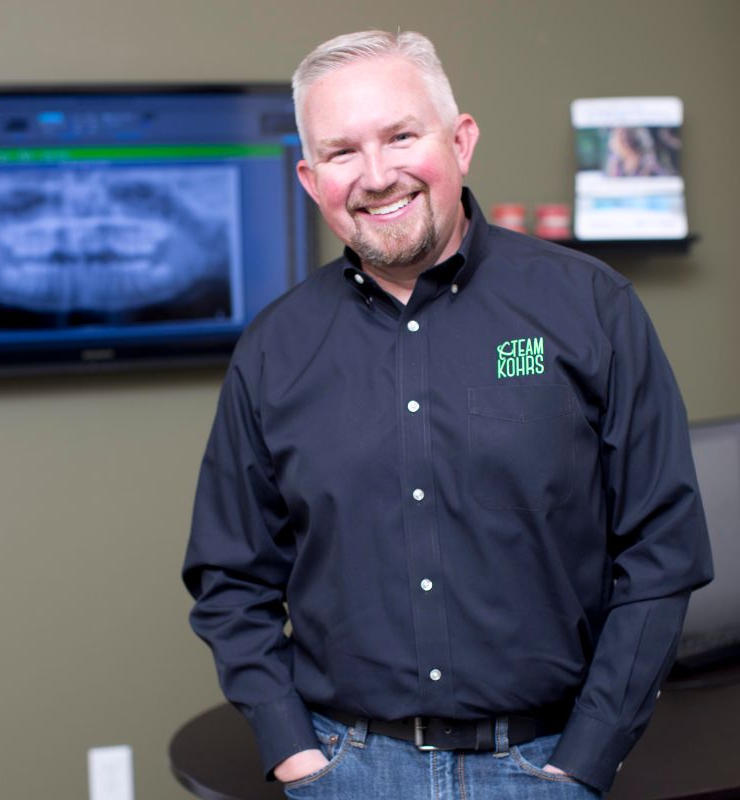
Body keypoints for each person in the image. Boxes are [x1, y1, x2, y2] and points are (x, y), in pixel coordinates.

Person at [183, 30, 712, 798]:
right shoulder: (273, 349)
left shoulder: (591, 308)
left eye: (401, 135)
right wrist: (299, 760)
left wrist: (586, 760)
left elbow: (663, 546)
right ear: (308, 177)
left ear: (460, 141)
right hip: (348, 769)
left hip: (547, 762)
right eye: (341, 152)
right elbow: (231, 575)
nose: (377, 175)